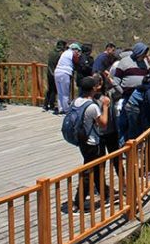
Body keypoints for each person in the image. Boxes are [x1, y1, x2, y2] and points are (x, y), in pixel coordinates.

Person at [71, 76, 110, 213]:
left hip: (82, 141)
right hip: (92, 142)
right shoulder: (92, 106)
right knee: (88, 172)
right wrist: (105, 106)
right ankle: (78, 203)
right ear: (93, 88)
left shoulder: (76, 102)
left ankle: (104, 194)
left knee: (97, 168)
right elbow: (103, 123)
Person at [54, 43, 81, 114]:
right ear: (74, 49)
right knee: (65, 92)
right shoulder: (72, 54)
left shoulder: (65, 53)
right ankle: (66, 110)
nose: (78, 52)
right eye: (78, 50)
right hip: (65, 73)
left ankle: (61, 108)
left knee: (60, 92)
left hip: (57, 72)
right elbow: (77, 62)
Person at [44, 40, 66, 113]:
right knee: (54, 90)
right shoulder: (60, 54)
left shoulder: (51, 52)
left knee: (50, 89)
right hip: (56, 73)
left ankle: (45, 104)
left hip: (49, 72)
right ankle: (52, 105)